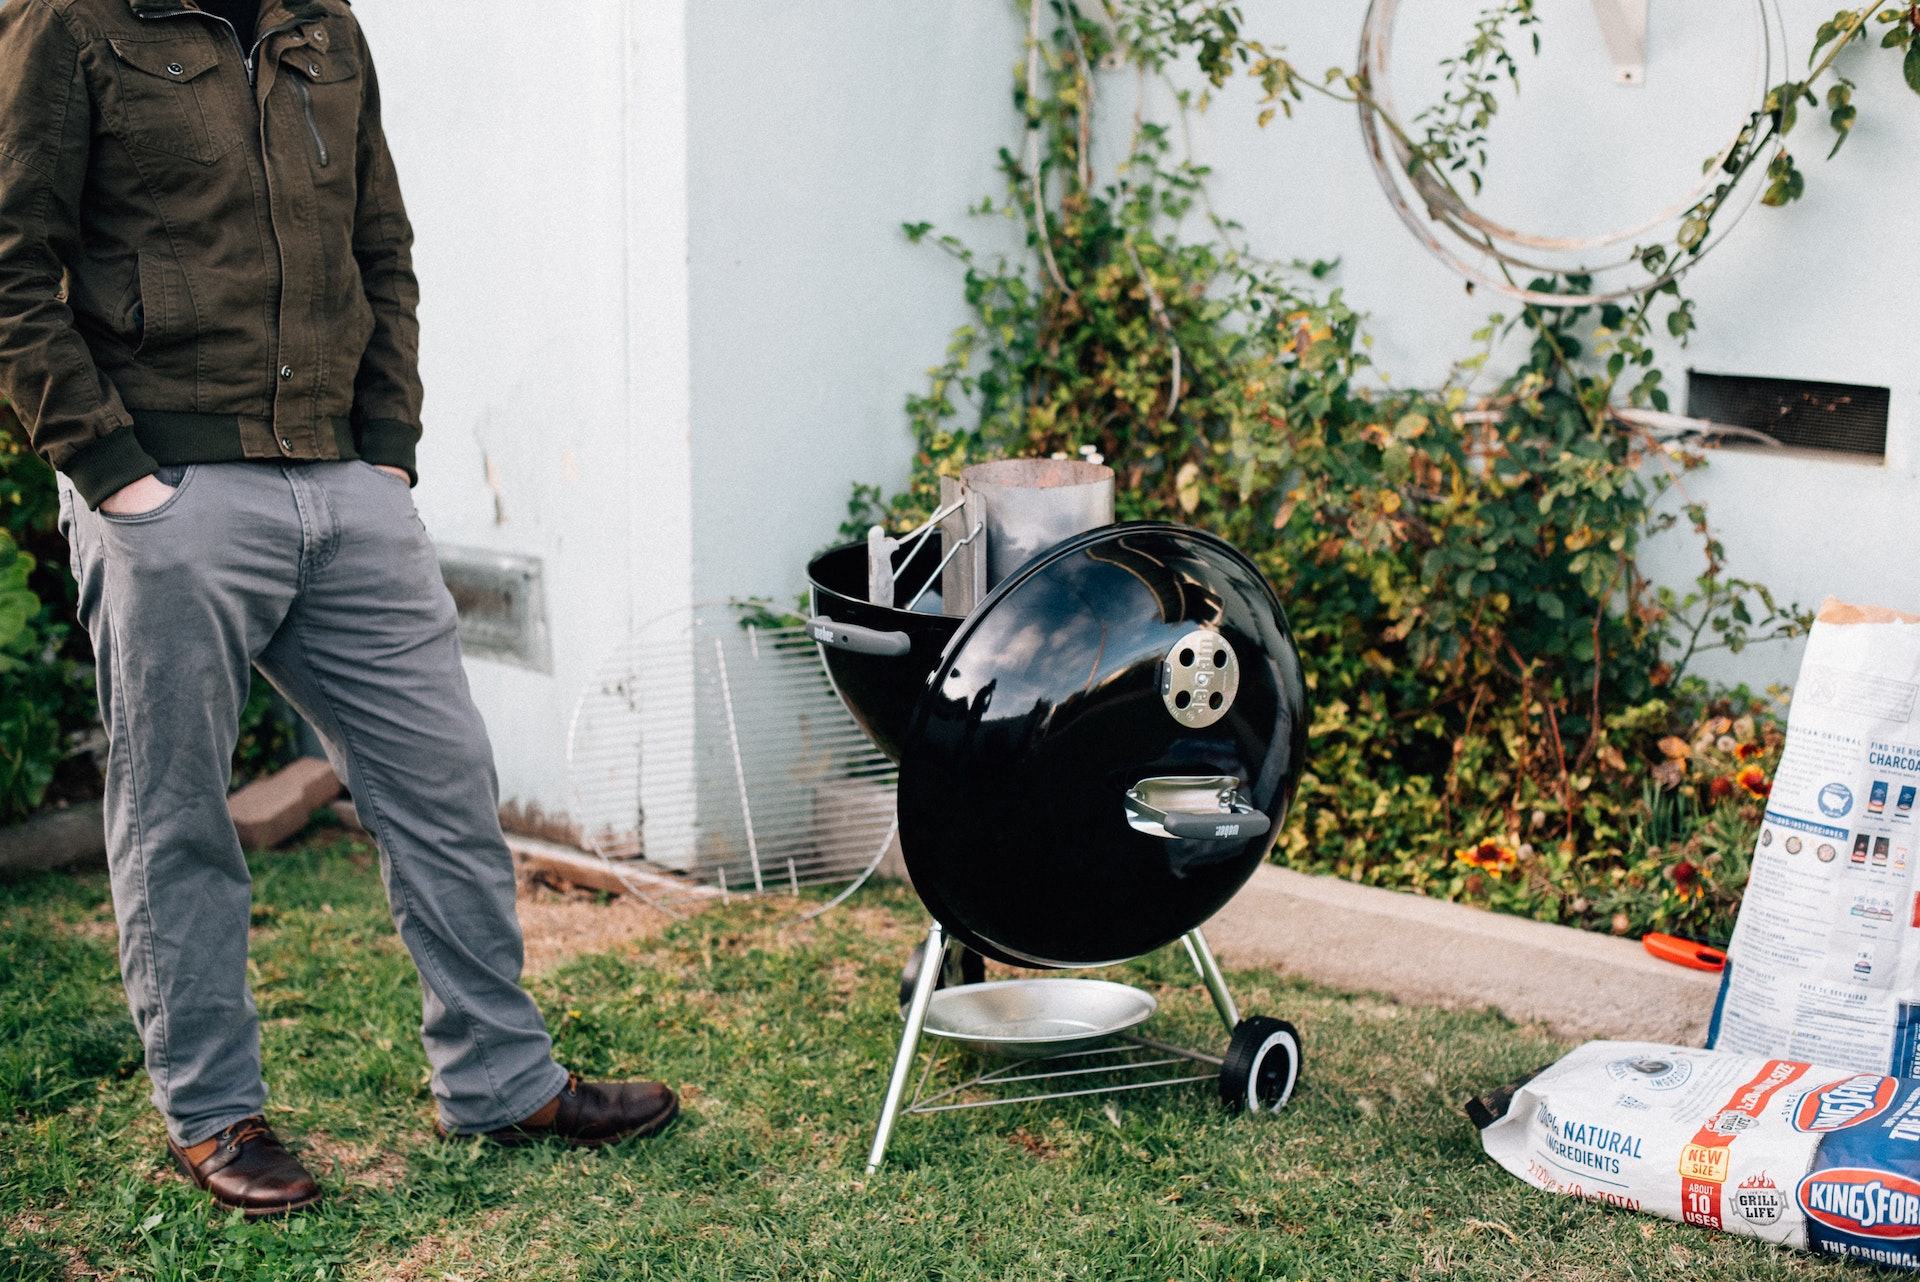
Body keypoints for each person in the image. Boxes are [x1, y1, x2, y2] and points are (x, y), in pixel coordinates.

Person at [0, 0, 676, 1219]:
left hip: (344, 485)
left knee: (445, 776)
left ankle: (501, 1079)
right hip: (171, 486)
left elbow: (383, 246)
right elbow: (9, 267)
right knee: (175, 818)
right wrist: (116, 475)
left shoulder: (324, 23)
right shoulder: (72, 22)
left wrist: (390, 452)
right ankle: (213, 1116)